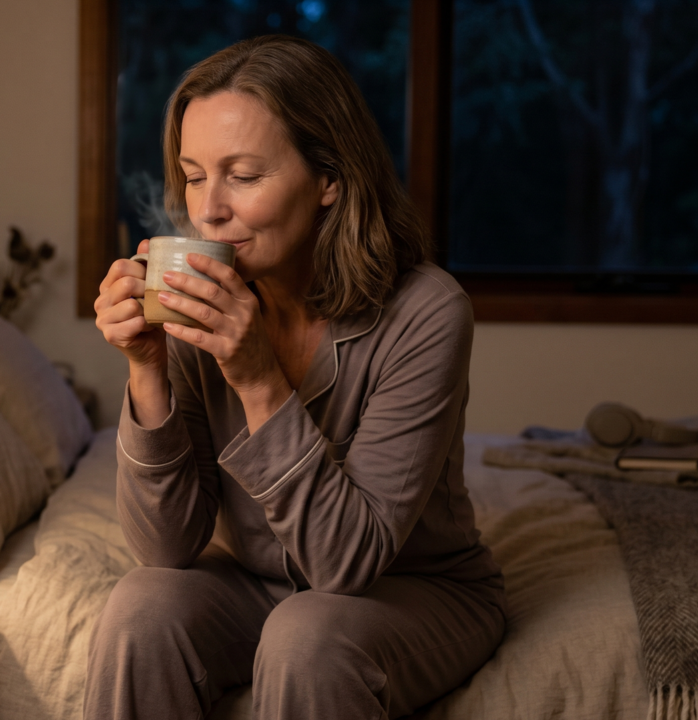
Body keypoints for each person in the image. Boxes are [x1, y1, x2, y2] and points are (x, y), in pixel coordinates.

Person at [86, 35, 505, 720]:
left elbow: (345, 566)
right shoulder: (202, 297)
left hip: (411, 585)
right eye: (194, 176)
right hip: (256, 580)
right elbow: (166, 547)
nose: (208, 211)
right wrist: (148, 370)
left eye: (243, 176)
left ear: (329, 180)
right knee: (141, 608)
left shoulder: (428, 311)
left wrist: (257, 380)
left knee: (306, 639)